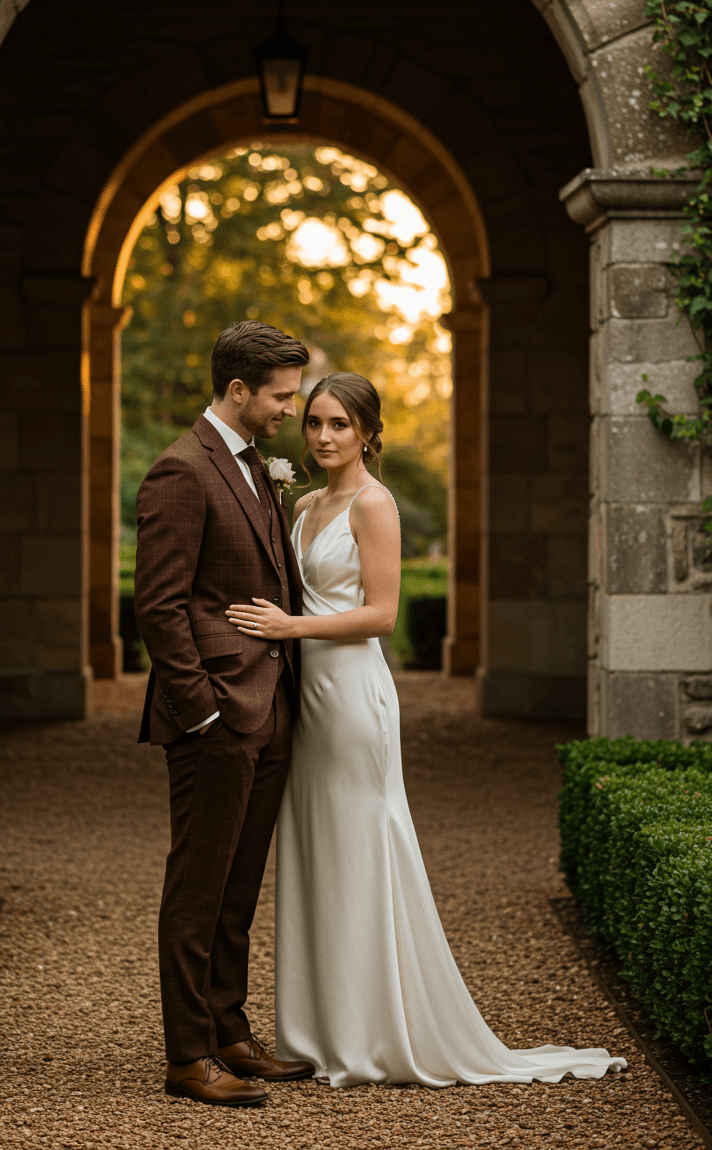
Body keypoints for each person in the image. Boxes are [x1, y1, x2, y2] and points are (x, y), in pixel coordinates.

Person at [226, 372, 627, 1088]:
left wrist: (293, 626)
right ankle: (319, 1028)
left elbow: (381, 615)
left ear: (368, 434)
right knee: (315, 849)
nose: (321, 435)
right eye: (314, 421)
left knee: (360, 846)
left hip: (350, 697)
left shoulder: (375, 504)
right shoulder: (306, 501)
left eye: (339, 425)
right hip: (304, 696)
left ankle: (373, 1032)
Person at [134, 321, 316, 1107]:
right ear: (238, 391)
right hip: (215, 716)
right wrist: (203, 711)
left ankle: (231, 1033)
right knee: (199, 887)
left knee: (239, 886)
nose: (291, 410)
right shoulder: (181, 471)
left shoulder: (253, 466)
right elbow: (161, 607)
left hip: (270, 706)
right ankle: (187, 1057)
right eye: (280, 396)